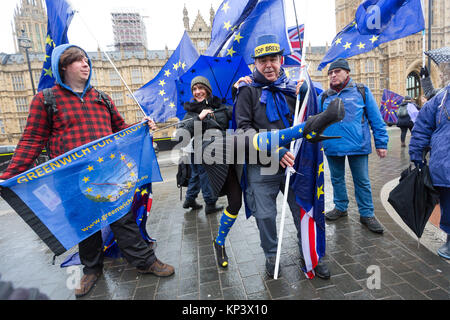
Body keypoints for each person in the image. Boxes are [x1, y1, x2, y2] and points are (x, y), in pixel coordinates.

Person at [0, 44, 174, 298]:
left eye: (86, 59)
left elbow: (121, 130)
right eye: (78, 60)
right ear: (63, 67)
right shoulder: (46, 100)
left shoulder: (101, 98)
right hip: (72, 180)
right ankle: (91, 270)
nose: (85, 64)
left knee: (123, 220)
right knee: (85, 225)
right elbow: (31, 140)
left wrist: (142, 127)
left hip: (109, 175)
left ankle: (145, 261)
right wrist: (8, 176)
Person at [234, 34, 340, 279]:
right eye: (263, 61)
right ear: (255, 65)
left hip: (295, 162)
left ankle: (309, 253)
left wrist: (307, 90)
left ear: (281, 60)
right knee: (266, 215)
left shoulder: (293, 88)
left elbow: (313, 110)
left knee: (301, 208)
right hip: (262, 164)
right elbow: (242, 130)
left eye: (273, 59)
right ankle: (271, 254)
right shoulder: (246, 90)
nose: (268, 65)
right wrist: (274, 150)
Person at [320, 58, 388, 234]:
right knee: (336, 179)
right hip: (332, 145)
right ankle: (340, 207)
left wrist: (381, 143)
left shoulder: (361, 91)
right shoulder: (324, 96)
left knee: (362, 181)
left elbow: (376, 119)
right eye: (330, 73)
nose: (333, 75)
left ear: (347, 73)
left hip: (358, 145)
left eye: (337, 72)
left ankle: (367, 214)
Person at [409, 80, 450, 260]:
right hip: (445, 164)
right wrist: (417, 153)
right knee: (448, 205)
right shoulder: (441, 99)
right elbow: (422, 127)